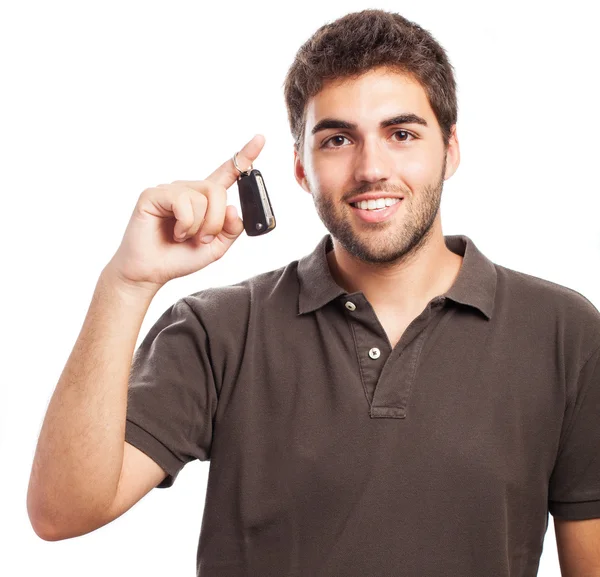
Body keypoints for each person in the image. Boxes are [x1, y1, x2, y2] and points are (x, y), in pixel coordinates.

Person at [27, 8, 600, 576]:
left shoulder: (563, 331)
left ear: (450, 149)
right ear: (300, 168)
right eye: (337, 140)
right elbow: (62, 512)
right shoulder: (219, 329)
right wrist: (128, 284)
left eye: (402, 134)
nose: (372, 168)